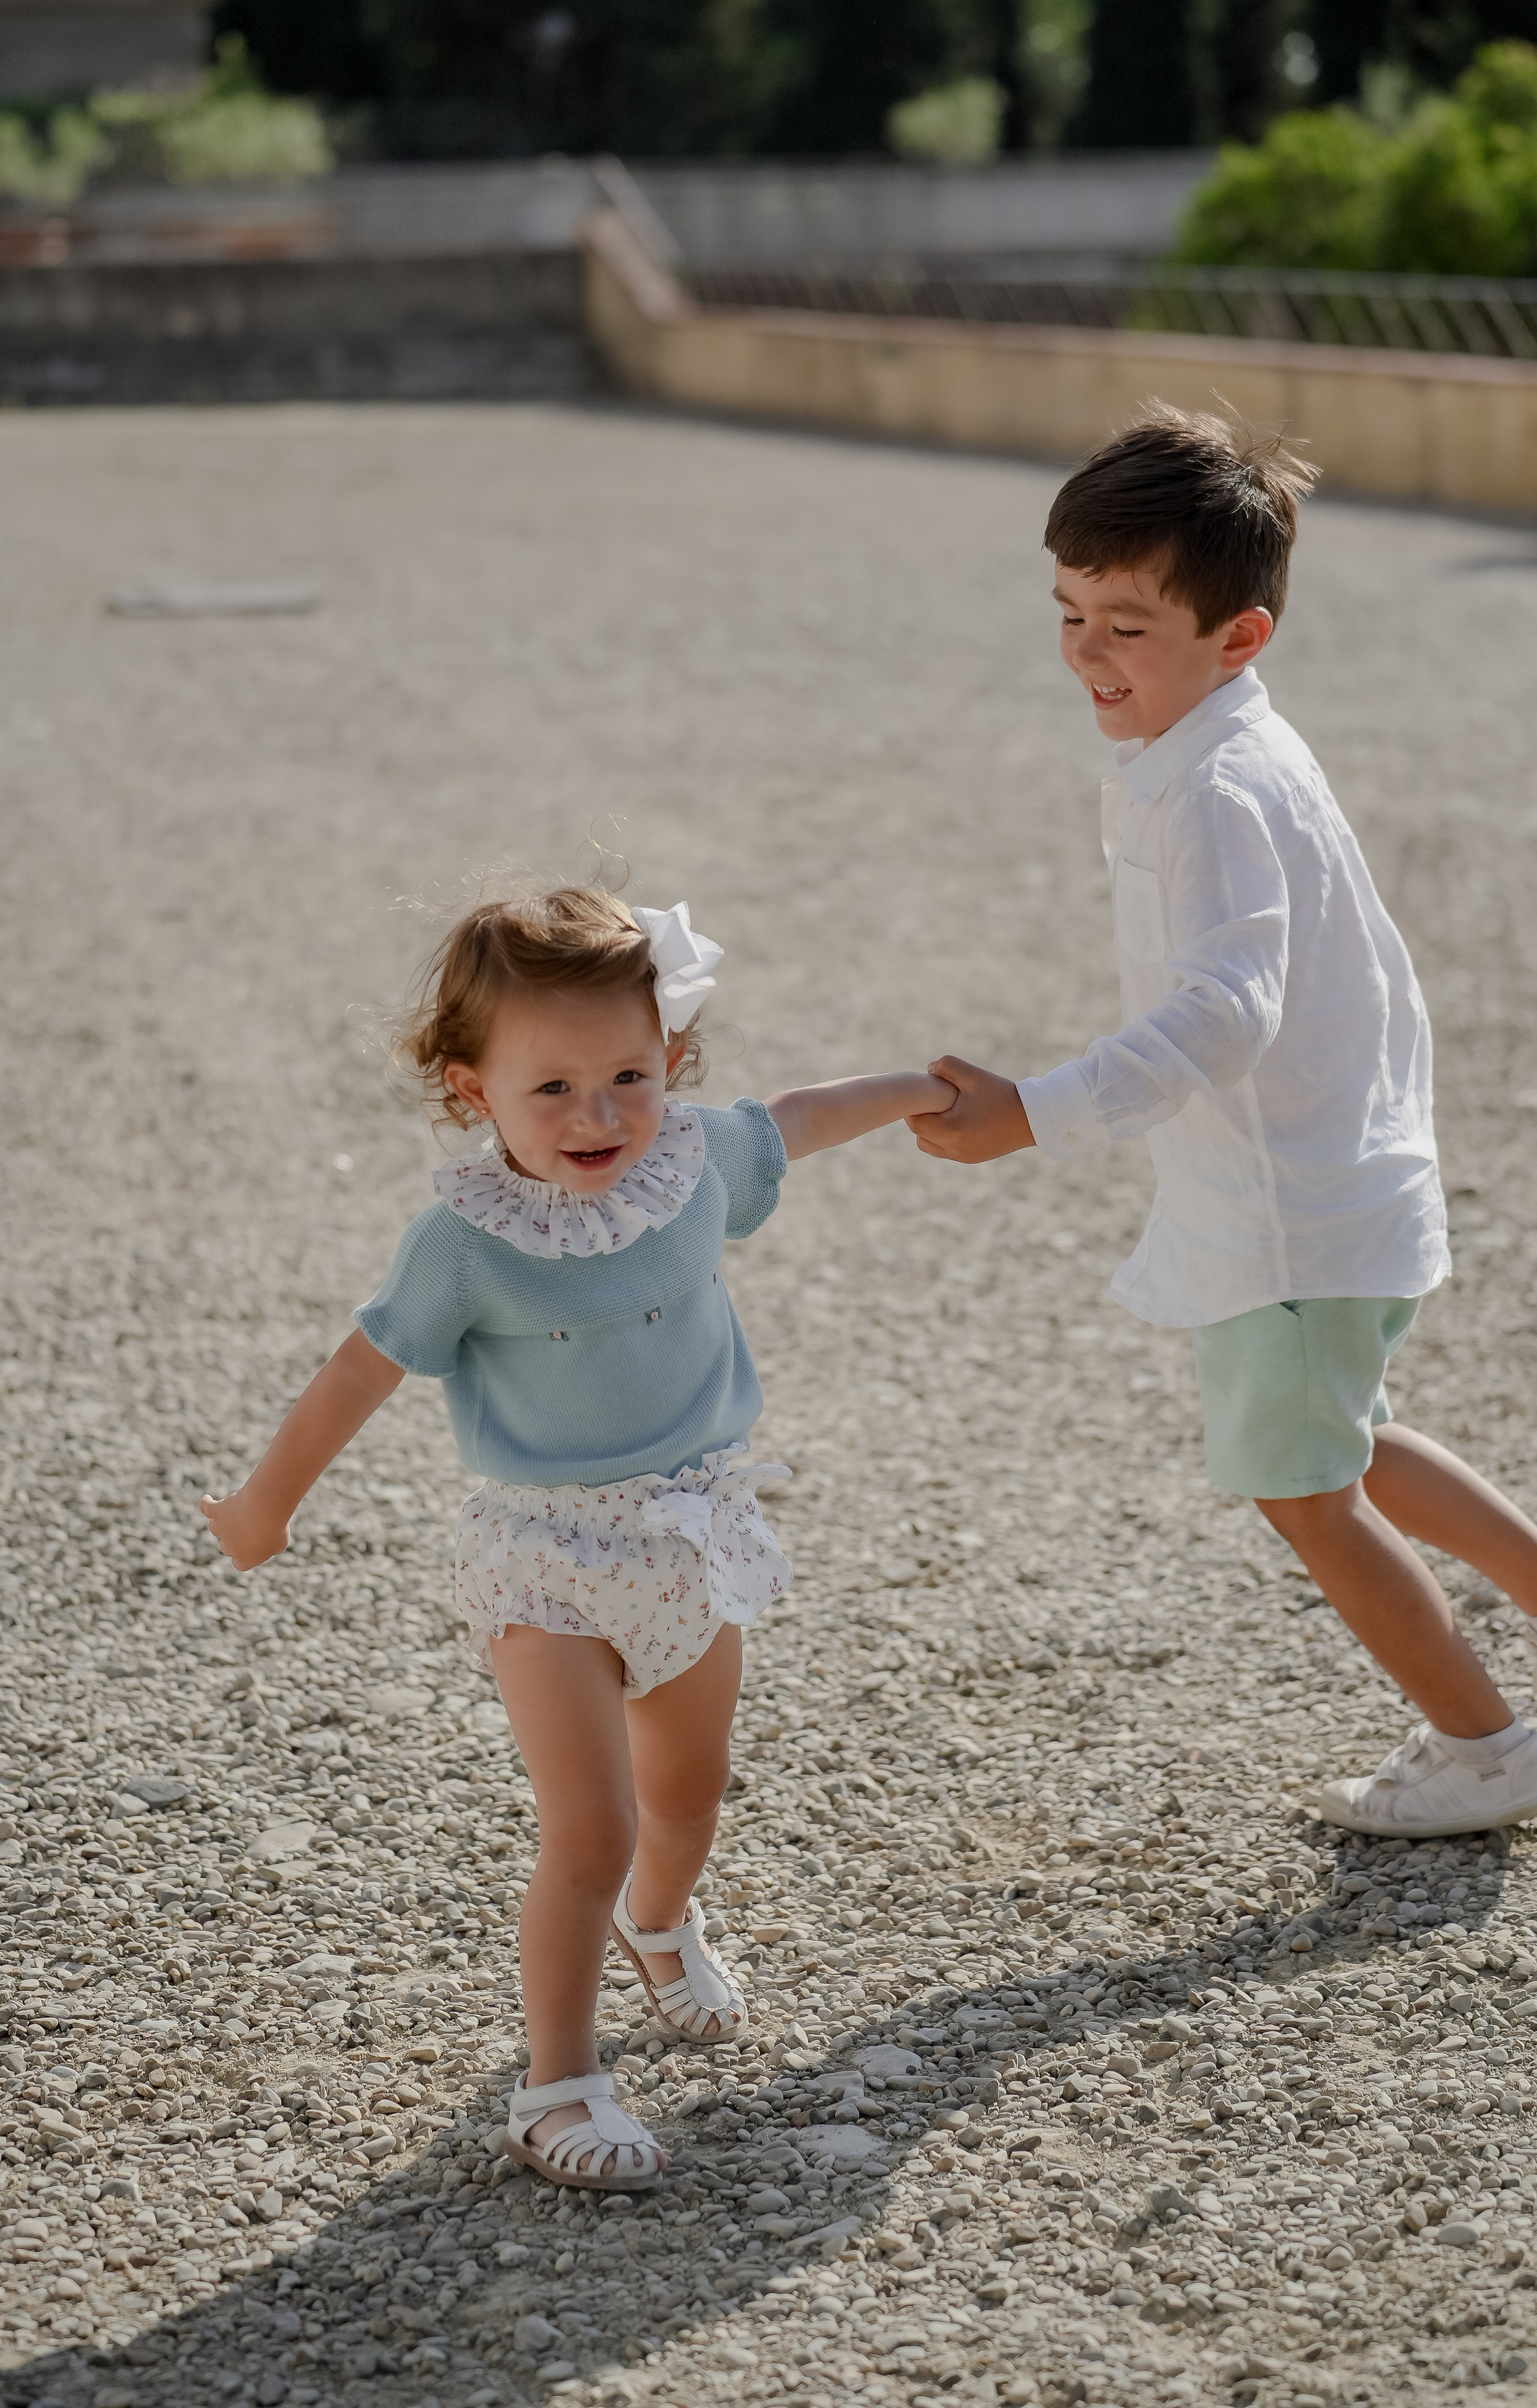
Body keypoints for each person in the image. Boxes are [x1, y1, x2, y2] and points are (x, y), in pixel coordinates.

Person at [909, 403, 1537, 1839]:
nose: (1083, 653)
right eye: (1066, 614)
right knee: (1345, 1437)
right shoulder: (1210, 744)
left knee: (1303, 1492)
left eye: (1124, 625)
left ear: (1236, 638)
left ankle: (1482, 1745)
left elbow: (1223, 1015)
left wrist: (1039, 1114)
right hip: (1325, 1181)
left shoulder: (1218, 789)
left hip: (1289, 1209)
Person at [201, 885, 956, 2189]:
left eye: (629, 1075)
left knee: (691, 1790)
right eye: (550, 1088)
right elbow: (355, 1374)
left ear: (672, 1061)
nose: (598, 1115)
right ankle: (556, 2086)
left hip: (691, 1532)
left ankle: (661, 1927)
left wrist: (931, 1089)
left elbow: (807, 1118)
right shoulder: (465, 1246)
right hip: (543, 1560)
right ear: (470, 1090)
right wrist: (267, 1503)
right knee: (590, 1828)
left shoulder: (699, 1163)